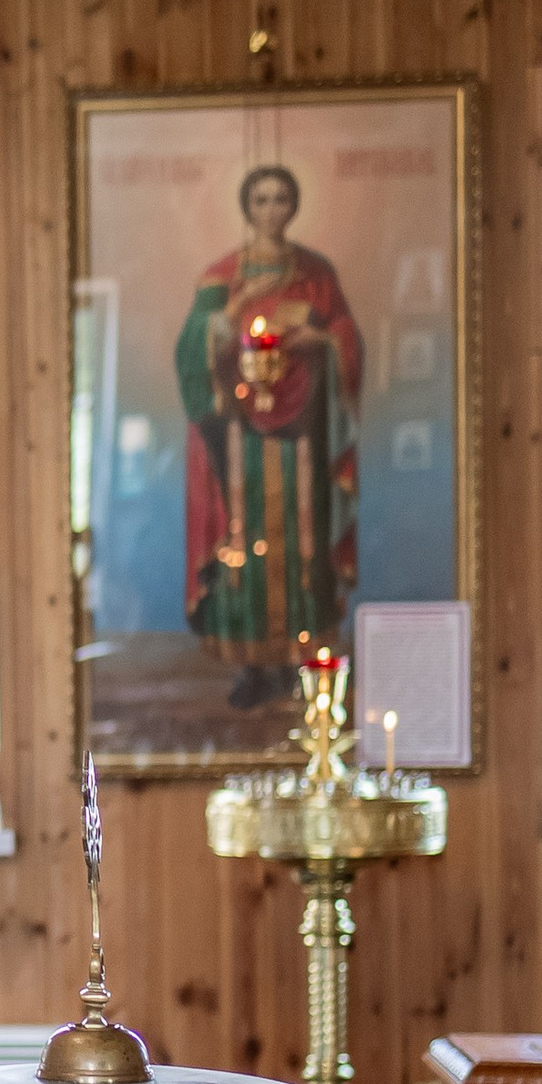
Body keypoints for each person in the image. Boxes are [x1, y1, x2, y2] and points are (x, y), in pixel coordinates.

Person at [176, 159, 364, 710]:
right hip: (241, 437)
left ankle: (300, 663)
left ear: (294, 206)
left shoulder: (317, 274)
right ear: (246, 207)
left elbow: (345, 339)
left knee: (304, 539)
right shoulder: (221, 274)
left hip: (306, 428)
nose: (271, 210)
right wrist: (229, 317)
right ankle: (252, 668)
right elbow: (193, 348)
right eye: (260, 200)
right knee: (246, 538)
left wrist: (317, 339)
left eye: (281, 199)